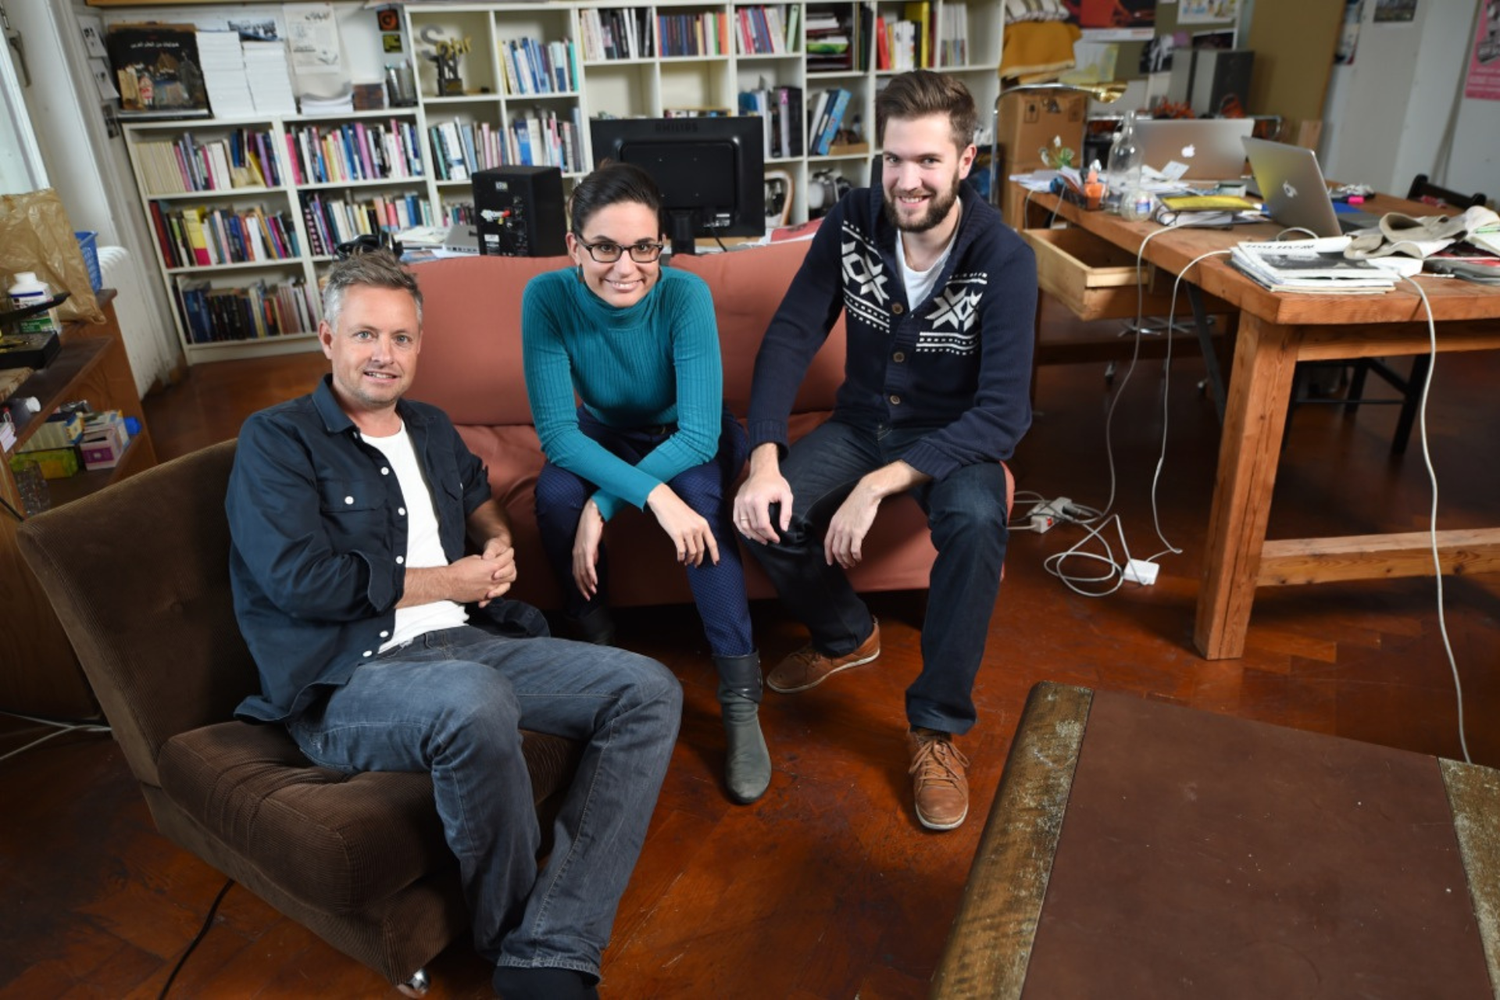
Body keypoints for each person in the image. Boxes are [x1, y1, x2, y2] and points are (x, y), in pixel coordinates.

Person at [225, 246, 682, 1000]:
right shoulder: (276, 441)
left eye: (402, 338)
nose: (385, 355)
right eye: (366, 335)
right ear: (327, 338)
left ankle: (548, 944)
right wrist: (448, 579)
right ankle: (512, 943)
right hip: (348, 680)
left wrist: (497, 540)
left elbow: (476, 494)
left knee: (650, 689)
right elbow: (298, 581)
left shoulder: (431, 427)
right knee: (474, 700)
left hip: (467, 642)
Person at [733, 70, 1036, 832]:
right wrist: (764, 454)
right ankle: (846, 633)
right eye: (894, 160)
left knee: (974, 523)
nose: (907, 181)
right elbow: (792, 334)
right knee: (761, 515)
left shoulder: (1004, 259)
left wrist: (879, 486)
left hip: (953, 437)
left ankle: (937, 728)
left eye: (928, 162)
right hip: (862, 420)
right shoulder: (853, 222)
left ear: (966, 162)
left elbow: (1005, 414)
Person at [520, 162, 770, 805]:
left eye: (644, 247)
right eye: (604, 247)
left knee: (703, 508)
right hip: (601, 431)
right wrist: (643, 496)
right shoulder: (545, 298)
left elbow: (697, 435)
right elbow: (557, 436)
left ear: (663, 245)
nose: (625, 266)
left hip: (685, 434)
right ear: (574, 246)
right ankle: (595, 647)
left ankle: (741, 701)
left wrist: (606, 505)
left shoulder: (684, 295)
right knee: (553, 499)